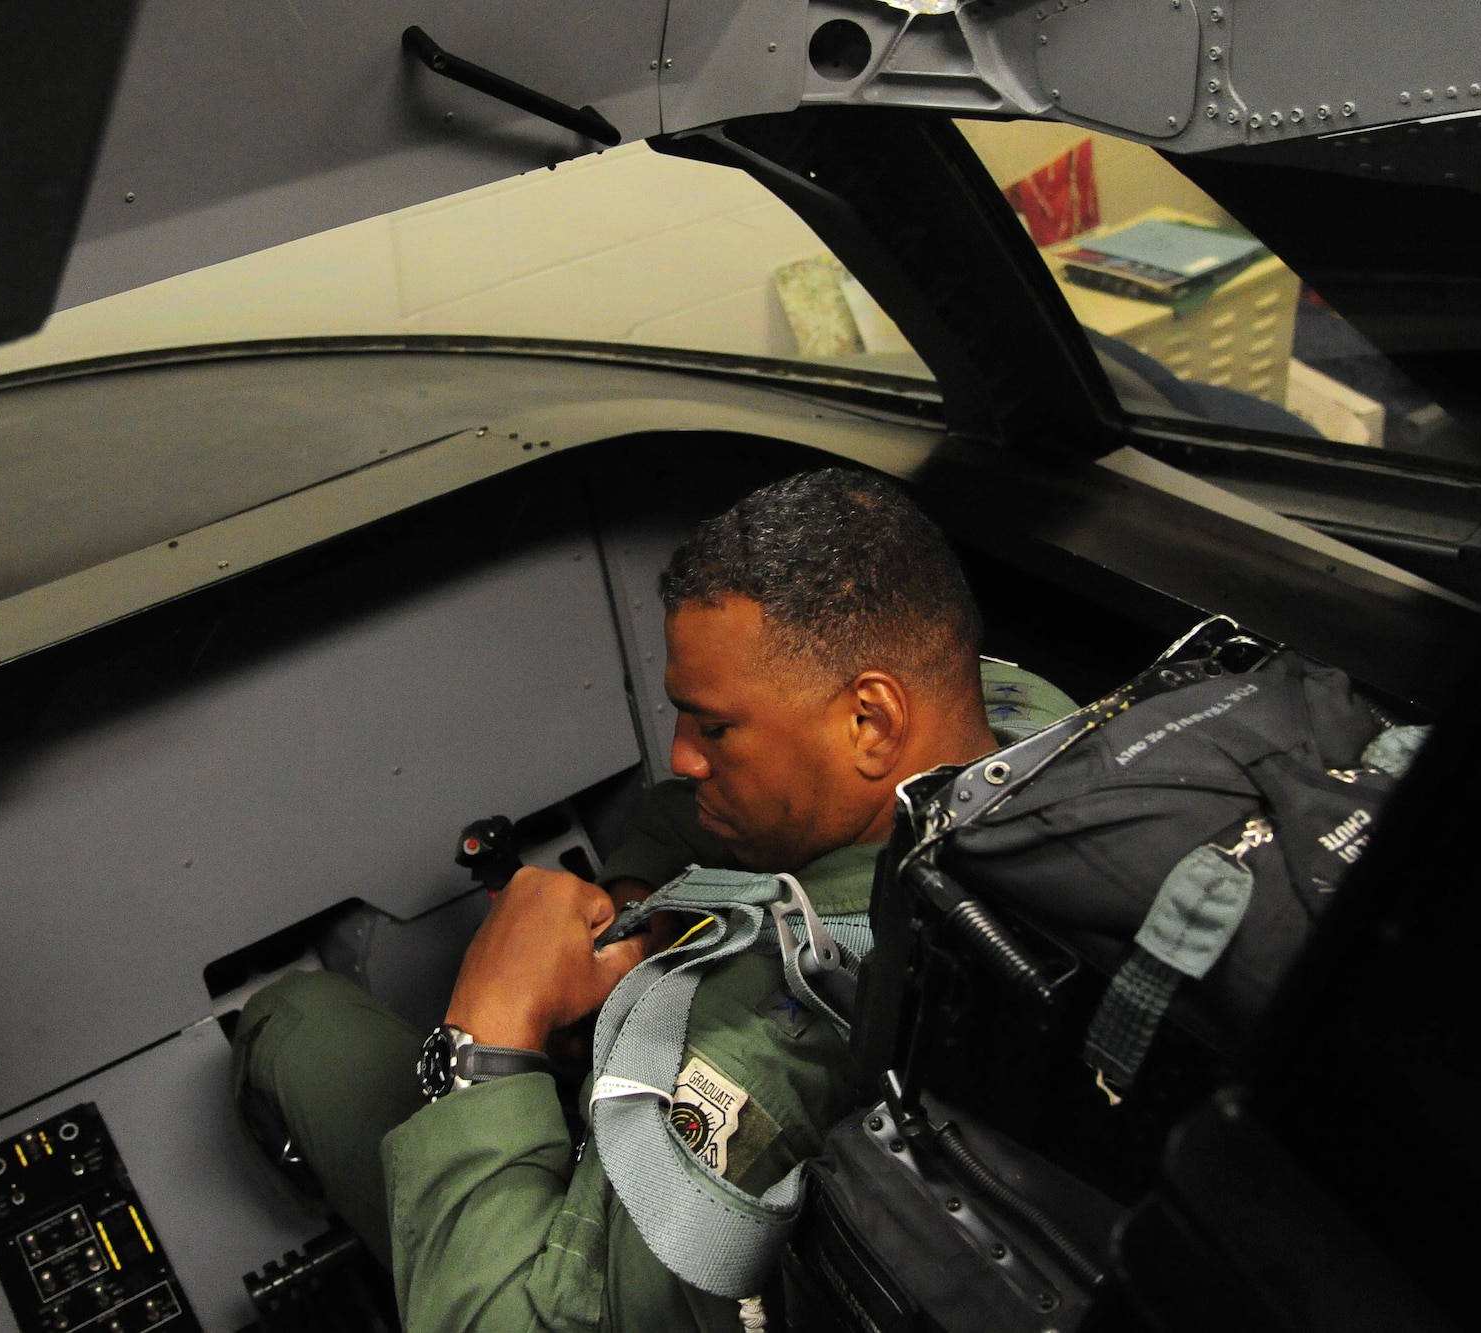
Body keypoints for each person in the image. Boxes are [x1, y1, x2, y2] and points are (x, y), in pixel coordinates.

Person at [230, 467, 1076, 1331]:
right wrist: (640, 907)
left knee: (295, 1020)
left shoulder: (757, 1062)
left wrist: (487, 1033)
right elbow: (705, 815)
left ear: (869, 720)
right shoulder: (1025, 720)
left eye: (714, 727)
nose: (681, 757)